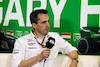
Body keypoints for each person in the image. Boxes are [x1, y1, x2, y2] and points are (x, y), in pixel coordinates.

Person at [11, 9, 78, 67]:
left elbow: (71, 50)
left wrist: (74, 62)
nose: (48, 25)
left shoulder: (55, 37)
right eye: (43, 22)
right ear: (34, 25)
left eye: (48, 21)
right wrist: (38, 57)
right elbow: (16, 65)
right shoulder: (21, 41)